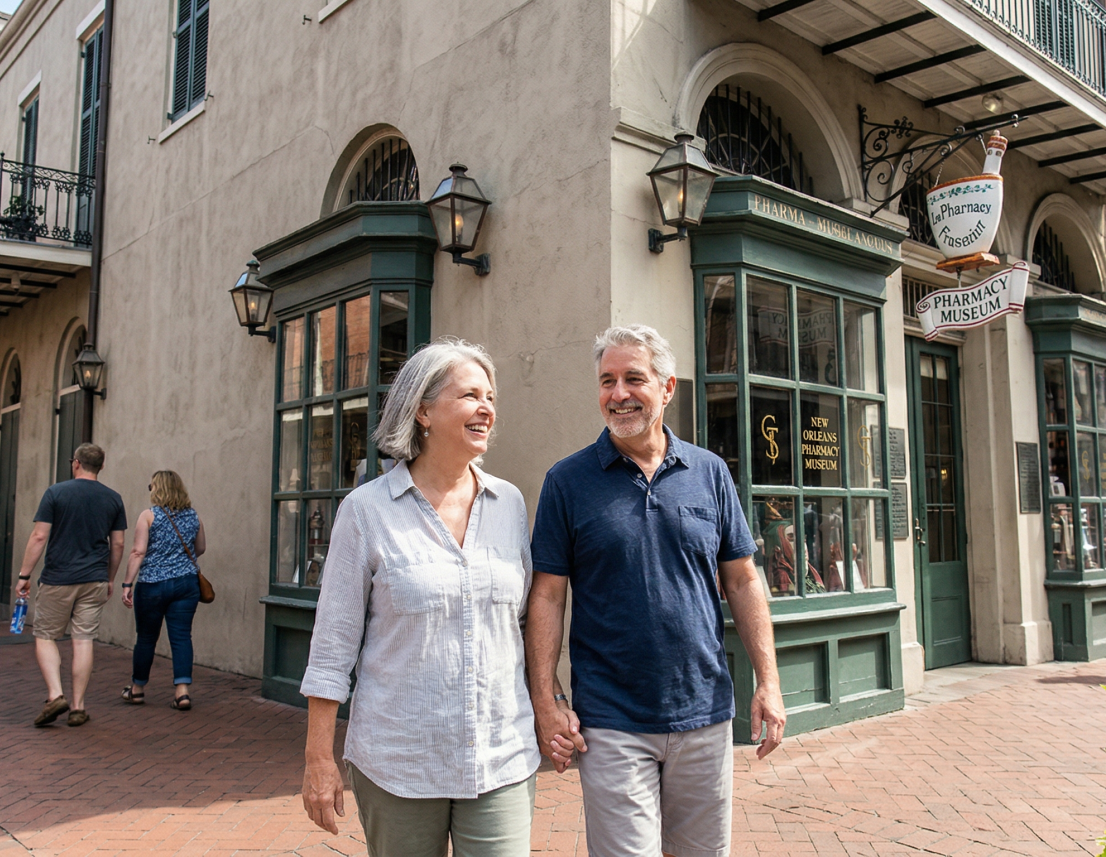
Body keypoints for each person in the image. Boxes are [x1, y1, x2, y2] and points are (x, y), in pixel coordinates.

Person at [527, 324, 786, 857]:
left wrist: (769, 681)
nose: (618, 394)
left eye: (633, 379)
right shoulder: (567, 481)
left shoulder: (710, 472)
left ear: (667, 388)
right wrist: (547, 698)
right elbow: (548, 596)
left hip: (704, 710)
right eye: (607, 381)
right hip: (611, 719)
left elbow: (742, 579)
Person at [300, 340, 541, 856]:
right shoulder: (366, 512)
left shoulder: (509, 504)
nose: (487, 408)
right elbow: (333, 643)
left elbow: (522, 626)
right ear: (424, 411)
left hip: (500, 754)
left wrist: (550, 702)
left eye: (491, 397)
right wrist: (319, 757)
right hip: (399, 760)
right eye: (470, 395)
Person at [15, 443, 127, 728]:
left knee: (45, 635)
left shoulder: (56, 493)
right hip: (95, 578)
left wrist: (24, 575)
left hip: (58, 577)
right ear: (101, 466)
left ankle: (55, 695)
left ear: (76, 463)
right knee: (83, 639)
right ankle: (78, 707)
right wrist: (111, 577)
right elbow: (118, 543)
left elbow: (39, 537)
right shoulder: (113, 499)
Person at [119, 471, 205, 710]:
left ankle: (137, 689)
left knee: (146, 638)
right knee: (181, 636)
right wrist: (178, 561)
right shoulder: (193, 516)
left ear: (157, 489)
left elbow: (137, 552)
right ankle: (182, 692)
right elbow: (201, 548)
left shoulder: (149, 516)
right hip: (187, 584)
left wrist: (127, 583)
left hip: (152, 585)